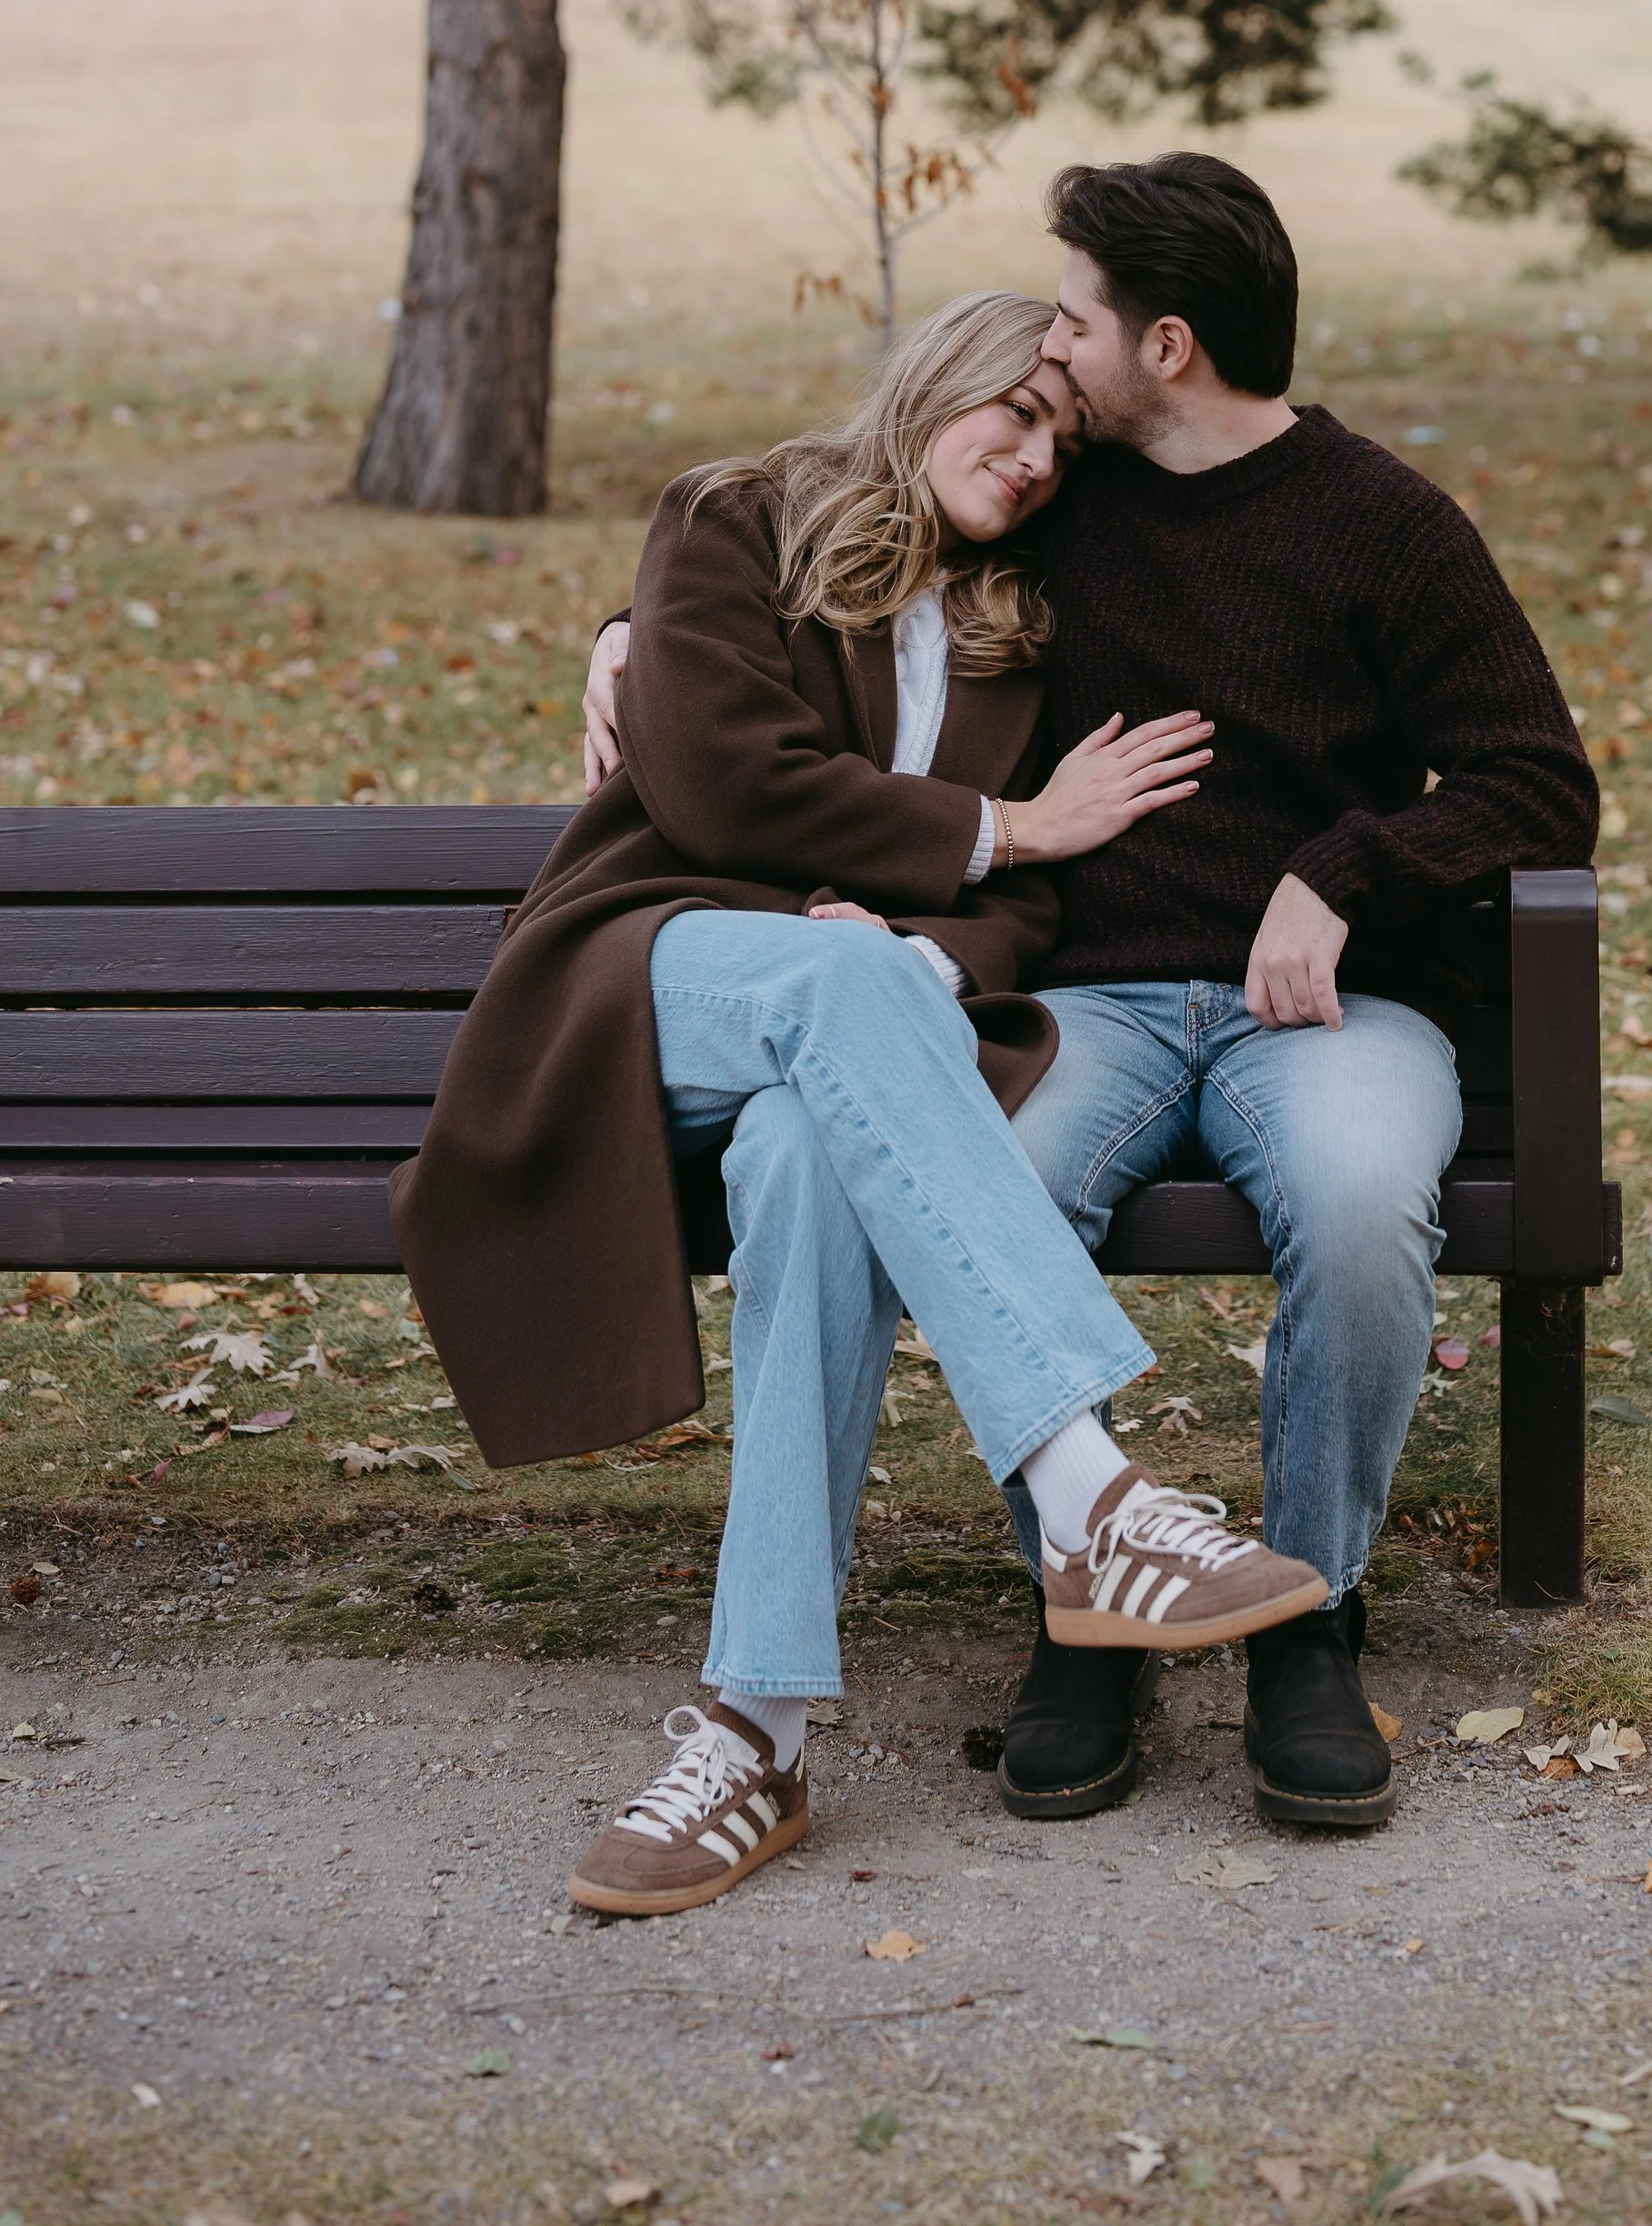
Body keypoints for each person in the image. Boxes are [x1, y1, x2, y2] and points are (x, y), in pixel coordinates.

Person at [586, 169, 1597, 1838]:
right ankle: (1093, 1602)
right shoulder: (1066, 497)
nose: (1052, 356)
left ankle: (1308, 1621)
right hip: (1091, 999)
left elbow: (1537, 782)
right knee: (995, 1189)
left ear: (1169, 345)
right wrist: (631, 632)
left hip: (1325, 1011)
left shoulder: (1388, 524)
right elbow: (851, 530)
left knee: (1356, 1206)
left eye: (1075, 319)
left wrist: (1348, 870)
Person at [399, 290, 1326, 1923]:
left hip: (841, 1046)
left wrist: (925, 933)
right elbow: (722, 787)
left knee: (824, 1137)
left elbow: (1019, 938)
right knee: (844, 993)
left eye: (1062, 439)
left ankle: (751, 1729)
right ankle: (1091, 1494)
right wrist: (1006, 833)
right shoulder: (727, 519)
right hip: (640, 986)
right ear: (940, 383)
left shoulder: (1013, 636)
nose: (1037, 457)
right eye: (1016, 413)